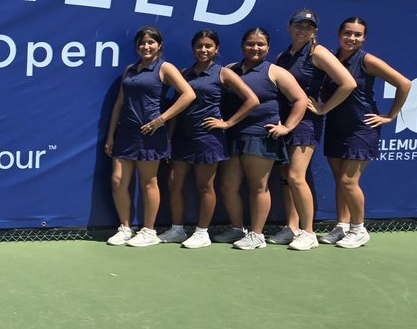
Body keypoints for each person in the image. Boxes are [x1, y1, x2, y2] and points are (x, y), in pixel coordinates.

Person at [160, 30, 259, 249]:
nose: (203, 50)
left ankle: (202, 232)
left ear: (216, 49)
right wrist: (168, 137)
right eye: (199, 46)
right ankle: (177, 229)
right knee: (174, 183)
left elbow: (252, 100)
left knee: (204, 186)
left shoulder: (223, 73)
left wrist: (227, 123)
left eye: (208, 46)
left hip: (208, 139)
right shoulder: (185, 73)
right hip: (182, 138)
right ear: (193, 48)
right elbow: (177, 109)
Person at [213, 27, 308, 250]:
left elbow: (300, 100)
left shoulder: (276, 72)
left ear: (268, 47)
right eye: (250, 44)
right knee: (228, 185)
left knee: (258, 187)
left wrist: (287, 127)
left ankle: (257, 235)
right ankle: (237, 228)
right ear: (241, 45)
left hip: (260, 136)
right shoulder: (230, 70)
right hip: (233, 135)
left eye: (260, 44)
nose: (255, 48)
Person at [321, 17, 410, 248]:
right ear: (339, 34)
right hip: (335, 126)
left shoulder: (367, 60)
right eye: (348, 33)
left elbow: (404, 84)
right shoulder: (331, 58)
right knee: (339, 181)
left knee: (349, 180)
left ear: (364, 38)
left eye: (357, 34)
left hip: (362, 129)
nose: (352, 38)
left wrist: (390, 116)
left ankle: (359, 229)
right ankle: (342, 226)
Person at [271, 9, 355, 250]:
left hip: (307, 122)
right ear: (290, 27)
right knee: (287, 178)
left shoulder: (318, 52)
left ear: (314, 31)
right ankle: (292, 227)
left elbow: (347, 83)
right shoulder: (283, 56)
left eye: (308, 27)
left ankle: (308, 232)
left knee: (297, 176)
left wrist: (324, 108)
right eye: (299, 25)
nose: (302, 30)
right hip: (284, 122)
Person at [104, 26, 195, 247]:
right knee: (117, 181)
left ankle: (148, 231)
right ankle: (125, 228)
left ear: (159, 46)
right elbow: (119, 103)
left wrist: (161, 119)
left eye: (151, 42)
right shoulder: (130, 70)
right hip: (126, 133)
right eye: (142, 43)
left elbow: (188, 95)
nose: (146, 46)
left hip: (150, 134)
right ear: (137, 46)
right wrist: (110, 135)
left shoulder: (165, 68)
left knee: (148, 182)